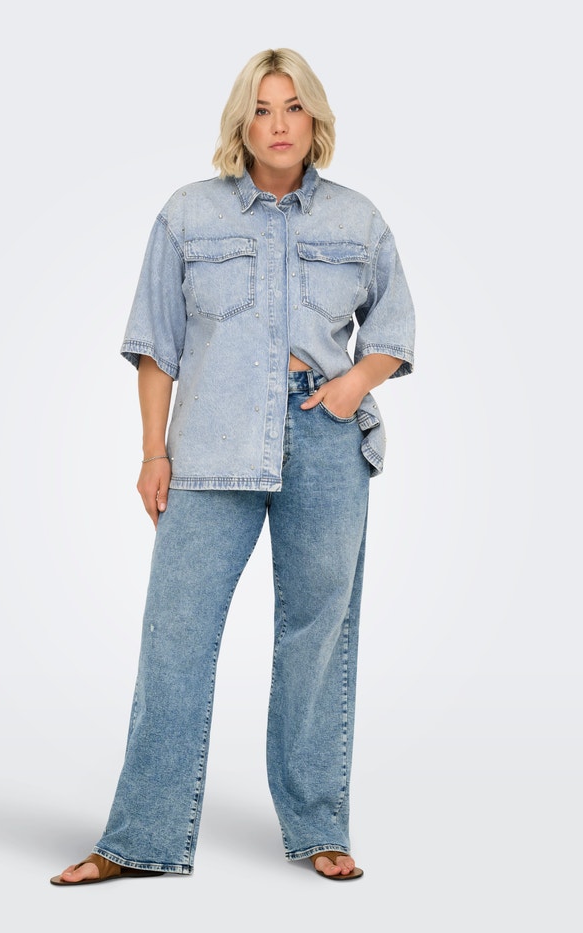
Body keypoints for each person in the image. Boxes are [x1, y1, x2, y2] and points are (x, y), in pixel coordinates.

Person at [51, 47, 415, 886]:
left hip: (326, 443)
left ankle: (319, 826)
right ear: (241, 123)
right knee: (175, 636)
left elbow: (394, 329)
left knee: (317, 638)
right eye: (261, 108)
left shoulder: (358, 219)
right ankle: (137, 838)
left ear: (314, 118)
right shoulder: (188, 214)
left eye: (293, 107)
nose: (278, 124)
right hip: (210, 449)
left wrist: (349, 386)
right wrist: (153, 451)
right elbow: (157, 347)